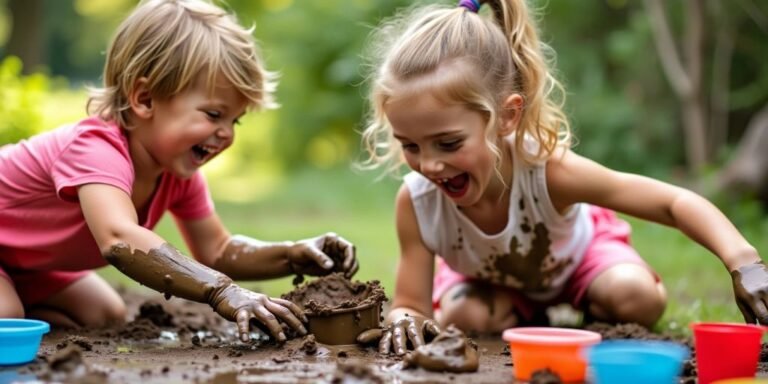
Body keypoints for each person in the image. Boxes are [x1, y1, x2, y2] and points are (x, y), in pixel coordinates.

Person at [356, 0, 768, 355]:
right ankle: (525, 313)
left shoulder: (548, 171)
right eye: (410, 146)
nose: (429, 166)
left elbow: (672, 203)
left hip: (579, 264)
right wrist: (403, 319)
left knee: (634, 296)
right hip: (491, 286)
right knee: (463, 316)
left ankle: (589, 310)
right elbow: (410, 303)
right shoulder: (419, 201)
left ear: (507, 117)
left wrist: (744, 263)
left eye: (447, 143)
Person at [0, 0, 358, 344]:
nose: (227, 133)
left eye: (236, 120)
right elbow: (119, 238)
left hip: (24, 263)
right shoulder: (95, 149)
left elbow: (217, 250)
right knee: (7, 315)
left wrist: (293, 254)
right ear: (145, 99)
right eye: (214, 115)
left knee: (103, 314)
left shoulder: (176, 174)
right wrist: (221, 290)